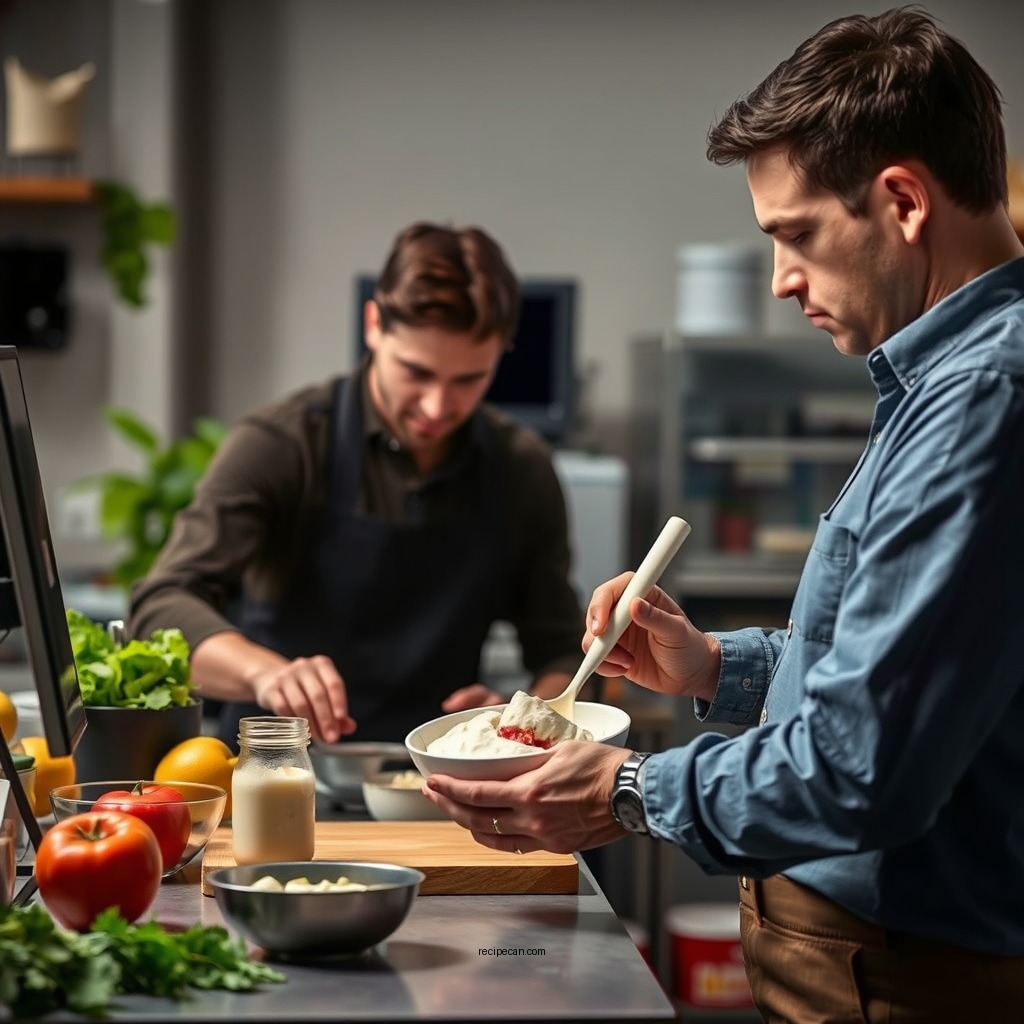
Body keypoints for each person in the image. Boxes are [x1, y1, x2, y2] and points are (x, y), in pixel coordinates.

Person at [423, 9, 1024, 1021]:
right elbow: (889, 664)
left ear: (904, 201)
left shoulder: (983, 399)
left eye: (794, 236)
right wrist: (712, 666)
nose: (782, 280)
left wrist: (627, 789)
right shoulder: (936, 381)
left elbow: (860, 767)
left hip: (897, 975)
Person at [129, 221, 585, 748]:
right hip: (282, 771)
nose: (438, 407)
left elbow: (561, 653)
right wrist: (266, 675)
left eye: (468, 380)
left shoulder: (521, 468)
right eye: (416, 372)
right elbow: (160, 606)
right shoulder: (282, 442)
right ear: (374, 324)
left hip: (442, 783)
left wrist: (521, 720)